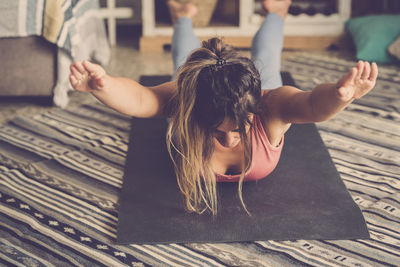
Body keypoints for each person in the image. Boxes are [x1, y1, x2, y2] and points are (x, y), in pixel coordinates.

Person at [69, 0, 378, 215]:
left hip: (253, 93)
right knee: (183, 65)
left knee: (267, 59)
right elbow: (139, 99)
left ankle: (276, 11)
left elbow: (311, 104)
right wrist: (104, 85)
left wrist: (339, 95)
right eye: (217, 132)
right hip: (197, 88)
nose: (230, 140)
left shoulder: (271, 106)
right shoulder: (187, 101)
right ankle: (183, 17)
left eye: (238, 130)